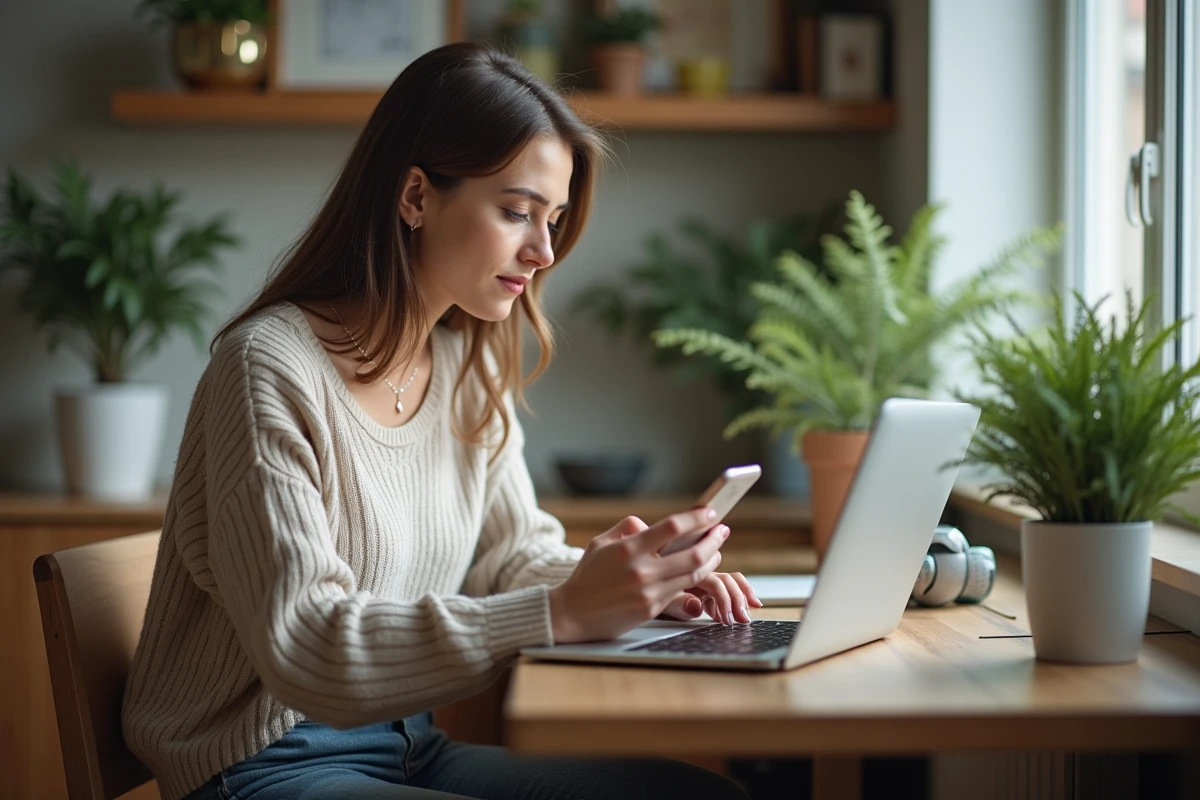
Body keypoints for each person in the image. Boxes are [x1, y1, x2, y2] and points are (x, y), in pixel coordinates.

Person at [122, 42, 759, 800]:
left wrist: (642, 589)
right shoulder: (267, 368)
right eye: (517, 212)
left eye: (552, 220)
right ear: (416, 196)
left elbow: (510, 559)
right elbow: (307, 646)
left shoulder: (465, 367)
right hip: (261, 764)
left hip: (406, 745)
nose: (544, 250)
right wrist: (562, 611)